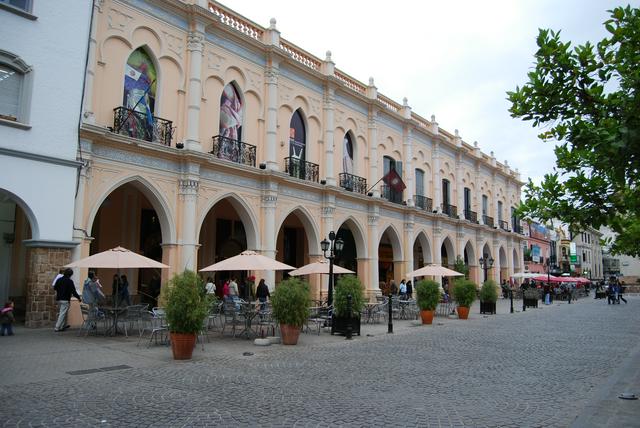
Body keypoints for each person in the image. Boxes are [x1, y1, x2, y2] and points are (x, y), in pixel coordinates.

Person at [54, 268, 81, 332]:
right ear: (70, 275)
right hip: (65, 299)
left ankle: (61, 326)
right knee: (62, 313)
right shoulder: (70, 281)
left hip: (59, 299)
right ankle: (57, 327)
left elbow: (55, 288)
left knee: (63, 312)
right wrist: (78, 298)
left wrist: (60, 291)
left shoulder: (59, 280)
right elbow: (74, 291)